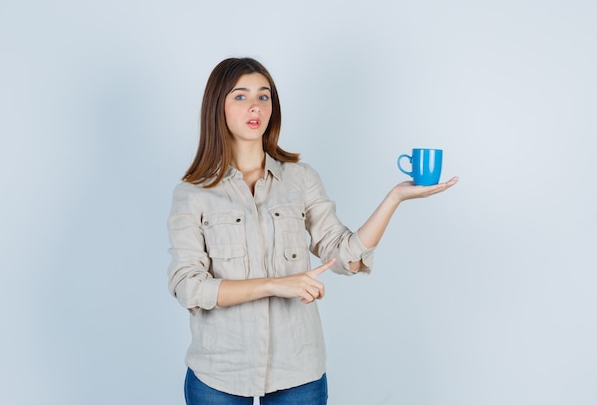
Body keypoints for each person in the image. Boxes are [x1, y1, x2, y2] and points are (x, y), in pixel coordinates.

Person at [167, 57, 458, 404]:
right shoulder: (193, 192)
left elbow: (345, 254)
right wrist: (276, 284)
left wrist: (395, 198)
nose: (255, 106)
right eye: (240, 96)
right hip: (218, 373)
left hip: (298, 371)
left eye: (264, 96)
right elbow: (188, 286)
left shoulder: (300, 179)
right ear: (218, 107)